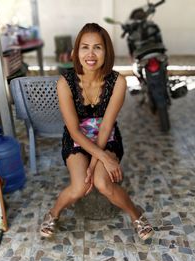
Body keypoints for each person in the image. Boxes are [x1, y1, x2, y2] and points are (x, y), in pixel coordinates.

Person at [40, 23, 154, 240]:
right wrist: (101, 158)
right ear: (77, 51)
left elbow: (107, 126)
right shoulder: (65, 82)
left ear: (106, 51)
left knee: (102, 182)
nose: (90, 54)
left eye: (97, 47)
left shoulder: (117, 82)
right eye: (85, 47)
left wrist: (94, 163)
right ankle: (53, 213)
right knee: (79, 187)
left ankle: (136, 215)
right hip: (76, 139)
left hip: (107, 137)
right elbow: (73, 130)